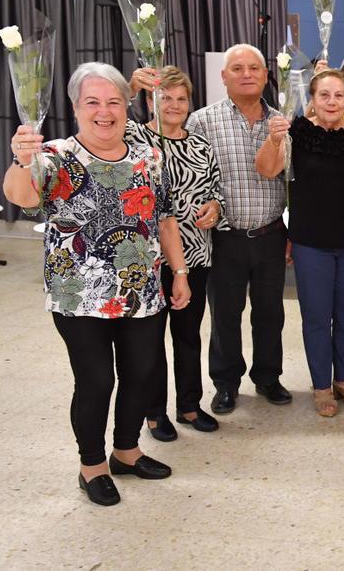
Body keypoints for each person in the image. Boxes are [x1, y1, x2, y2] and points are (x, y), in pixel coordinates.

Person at [4, 62, 190, 506]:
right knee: (96, 381)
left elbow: (164, 219)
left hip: (141, 289)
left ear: (126, 105)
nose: (104, 111)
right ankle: (92, 466)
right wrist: (22, 159)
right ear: (75, 108)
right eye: (93, 102)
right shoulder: (53, 154)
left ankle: (126, 451)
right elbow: (22, 195)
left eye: (113, 102)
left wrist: (178, 273)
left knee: (141, 374)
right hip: (78, 294)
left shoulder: (148, 156)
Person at [256, 70, 344, 417]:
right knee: (317, 318)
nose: (332, 102)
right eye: (324, 95)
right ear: (312, 98)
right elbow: (267, 169)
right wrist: (274, 140)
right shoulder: (296, 133)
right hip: (311, 242)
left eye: (338, 95)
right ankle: (322, 384)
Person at [187, 44, 292, 415]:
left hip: (270, 233)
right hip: (224, 238)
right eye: (237, 68)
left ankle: (268, 377)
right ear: (223, 76)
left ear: (266, 75)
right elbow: (195, 177)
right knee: (225, 315)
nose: (246, 74)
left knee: (270, 313)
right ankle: (226, 383)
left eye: (254, 68)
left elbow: (290, 182)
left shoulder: (282, 121)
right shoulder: (202, 121)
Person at [126, 66, 222, 440]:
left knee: (187, 335)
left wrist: (215, 208)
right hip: (149, 259)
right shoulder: (135, 138)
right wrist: (133, 85)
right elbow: (115, 112)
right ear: (152, 100)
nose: (174, 105)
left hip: (194, 257)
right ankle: (154, 412)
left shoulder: (200, 145)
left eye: (182, 98)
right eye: (166, 97)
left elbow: (217, 193)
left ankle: (189, 405)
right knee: (150, 340)